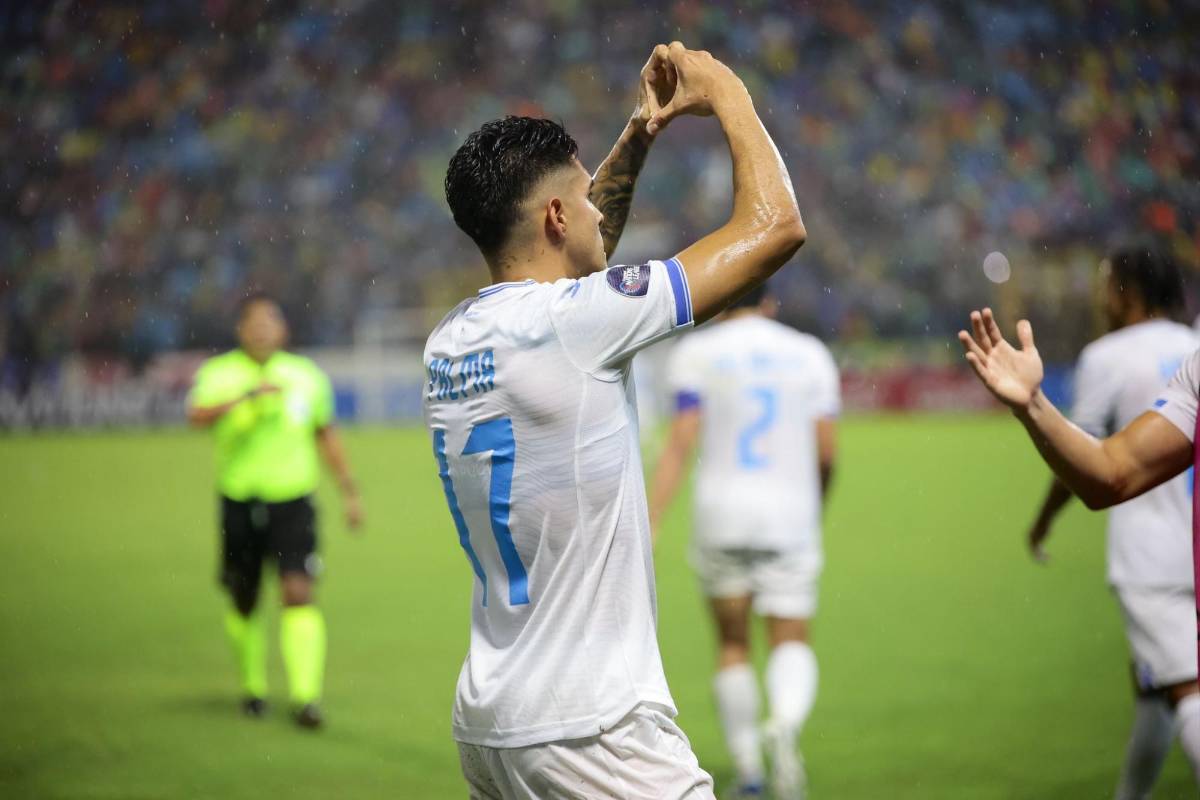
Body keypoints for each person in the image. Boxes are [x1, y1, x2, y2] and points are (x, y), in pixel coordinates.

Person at [424, 42, 806, 799]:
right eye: (583, 199)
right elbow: (777, 228)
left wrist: (641, 131)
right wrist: (727, 93)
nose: (601, 210)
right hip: (594, 730)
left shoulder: (452, 339)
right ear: (557, 214)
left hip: (493, 721)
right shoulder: (574, 326)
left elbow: (578, 271)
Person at [956, 261, 1200, 793]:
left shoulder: (1108, 355)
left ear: (1127, 291)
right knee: (1156, 690)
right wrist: (1033, 406)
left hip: (1150, 555)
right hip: (1186, 550)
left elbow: (1101, 464)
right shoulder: (1191, 350)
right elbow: (1114, 471)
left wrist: (1041, 521)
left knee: (1183, 694)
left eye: (1106, 285)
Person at [649, 284, 838, 800]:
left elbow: (682, 439)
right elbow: (825, 450)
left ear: (724, 301)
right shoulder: (809, 354)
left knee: (732, 645)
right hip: (788, 516)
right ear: (771, 304)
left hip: (721, 516)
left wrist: (652, 517)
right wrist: (814, 504)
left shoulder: (696, 353)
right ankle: (785, 723)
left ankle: (750, 771)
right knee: (790, 638)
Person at [187, 292, 363, 729]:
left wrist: (348, 489)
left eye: (271, 320)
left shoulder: (305, 376)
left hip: (293, 501)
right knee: (244, 597)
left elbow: (325, 433)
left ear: (282, 330)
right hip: (239, 500)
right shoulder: (221, 373)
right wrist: (244, 398)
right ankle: (253, 689)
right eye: (254, 321)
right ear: (241, 330)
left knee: (298, 592)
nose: (263, 328)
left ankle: (306, 698)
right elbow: (197, 416)